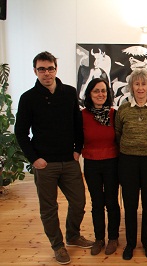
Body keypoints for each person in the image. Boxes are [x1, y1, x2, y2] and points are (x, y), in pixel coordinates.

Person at [15, 51, 93, 265]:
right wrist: (34, 159)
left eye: (50, 68)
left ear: (56, 69)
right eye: (42, 69)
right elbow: (21, 132)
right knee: (49, 209)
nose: (46, 73)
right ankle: (58, 246)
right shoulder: (28, 98)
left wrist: (78, 149)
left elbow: (78, 124)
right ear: (35, 71)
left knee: (79, 202)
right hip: (44, 164)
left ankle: (73, 236)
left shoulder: (68, 93)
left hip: (69, 161)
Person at [115, 68, 147, 260]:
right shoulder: (123, 109)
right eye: (136, 84)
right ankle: (130, 243)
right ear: (131, 87)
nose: (140, 87)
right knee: (130, 205)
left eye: (144, 84)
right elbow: (118, 134)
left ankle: (146, 242)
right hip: (128, 161)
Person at [81, 78, 120, 256]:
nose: (100, 94)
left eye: (104, 91)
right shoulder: (82, 115)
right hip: (91, 163)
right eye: (96, 91)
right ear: (90, 93)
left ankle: (113, 238)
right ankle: (99, 239)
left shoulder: (114, 114)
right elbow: (77, 138)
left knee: (112, 203)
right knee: (97, 203)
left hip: (112, 162)